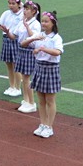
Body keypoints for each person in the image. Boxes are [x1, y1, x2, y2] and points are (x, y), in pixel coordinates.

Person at [30, 11, 64, 139]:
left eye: (46, 21)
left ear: (53, 23)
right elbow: (24, 43)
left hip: (51, 68)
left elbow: (58, 52)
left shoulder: (56, 38)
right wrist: (35, 47)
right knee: (41, 99)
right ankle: (43, 124)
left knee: (50, 100)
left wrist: (43, 49)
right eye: (42, 21)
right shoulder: (39, 35)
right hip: (39, 67)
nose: (43, 23)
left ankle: (49, 126)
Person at [11, 0, 41, 114]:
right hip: (21, 50)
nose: (25, 11)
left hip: (29, 51)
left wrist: (26, 26)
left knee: (27, 78)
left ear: (33, 11)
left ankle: (32, 103)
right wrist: (6, 31)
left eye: (27, 9)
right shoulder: (22, 21)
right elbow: (14, 35)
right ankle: (26, 100)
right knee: (24, 78)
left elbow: (33, 38)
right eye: (25, 8)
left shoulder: (36, 24)